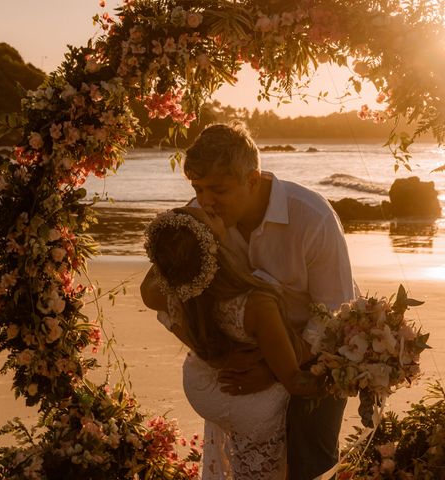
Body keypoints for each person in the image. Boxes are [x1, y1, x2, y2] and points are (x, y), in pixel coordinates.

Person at [182, 122, 356, 480]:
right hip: (243, 354)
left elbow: (335, 315)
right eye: (198, 188)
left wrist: (279, 368)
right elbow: (172, 298)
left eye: (218, 189)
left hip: (318, 353)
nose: (205, 201)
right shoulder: (200, 219)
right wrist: (225, 355)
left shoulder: (312, 217)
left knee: (312, 462)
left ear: (253, 180)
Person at [142, 207, 321, 479]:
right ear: (211, 241)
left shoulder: (178, 291)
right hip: (249, 402)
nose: (210, 207)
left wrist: (216, 358)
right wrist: (348, 372)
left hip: (205, 386)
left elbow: (150, 287)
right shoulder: (256, 304)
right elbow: (294, 381)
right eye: (209, 217)